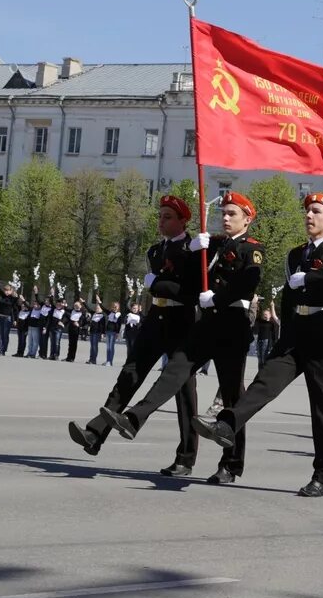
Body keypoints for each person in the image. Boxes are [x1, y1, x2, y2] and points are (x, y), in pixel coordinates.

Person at [191, 192, 323, 497]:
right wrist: (285, 335)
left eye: (317, 212)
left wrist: (310, 278)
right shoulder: (295, 254)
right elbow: (291, 299)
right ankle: (227, 425)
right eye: (307, 211)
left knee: (321, 407)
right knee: (263, 383)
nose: (310, 216)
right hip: (296, 332)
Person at [98, 192, 259, 484]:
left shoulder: (252, 249)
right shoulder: (215, 245)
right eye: (223, 213)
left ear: (247, 219)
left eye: (232, 214)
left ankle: (231, 464)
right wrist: (194, 251)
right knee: (174, 372)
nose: (225, 218)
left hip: (233, 323)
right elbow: (188, 274)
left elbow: (249, 280)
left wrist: (218, 296)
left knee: (232, 396)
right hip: (207, 322)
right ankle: (135, 418)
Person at [69, 195, 203, 474]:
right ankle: (95, 434)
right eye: (160, 216)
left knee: (184, 392)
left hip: (182, 320)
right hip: (157, 318)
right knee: (129, 375)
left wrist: (160, 285)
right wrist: (159, 287)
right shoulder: (155, 252)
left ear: (182, 221)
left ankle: (185, 457)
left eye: (168, 217)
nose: (161, 221)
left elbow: (190, 291)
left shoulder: (196, 251)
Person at [254, 301, 279, 371]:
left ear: (270, 315)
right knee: (259, 359)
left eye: (266, 314)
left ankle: (263, 373)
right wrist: (257, 304)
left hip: (266, 341)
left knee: (264, 359)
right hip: (259, 341)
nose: (264, 315)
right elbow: (257, 314)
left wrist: (272, 306)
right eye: (264, 314)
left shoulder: (271, 324)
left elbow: (275, 317)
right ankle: (260, 372)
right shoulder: (260, 321)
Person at [104, 301, 121, 367]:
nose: (115, 307)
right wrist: (99, 302)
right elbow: (104, 309)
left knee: (111, 347)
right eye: (113, 306)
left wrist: (117, 332)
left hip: (113, 332)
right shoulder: (110, 313)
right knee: (108, 347)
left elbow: (119, 324)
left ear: (118, 307)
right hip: (108, 331)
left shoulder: (119, 314)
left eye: (116, 306)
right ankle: (108, 360)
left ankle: (110, 361)